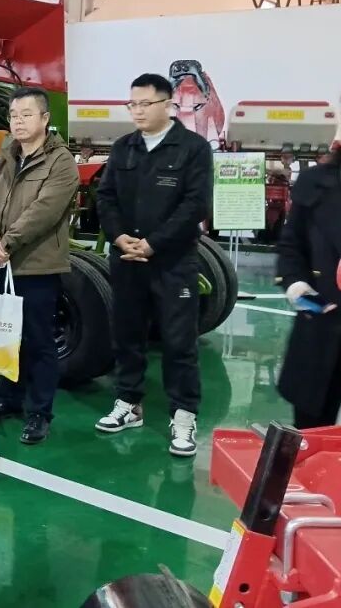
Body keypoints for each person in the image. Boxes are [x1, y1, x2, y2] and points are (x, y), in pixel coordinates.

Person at [94, 73, 213, 457]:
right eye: (133, 104)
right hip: (127, 260)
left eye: (145, 104)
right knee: (127, 335)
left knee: (179, 342)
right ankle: (128, 403)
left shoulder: (192, 148)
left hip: (173, 263)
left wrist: (153, 244)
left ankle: (184, 415)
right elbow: (105, 197)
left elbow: (195, 205)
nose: (138, 111)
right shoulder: (123, 148)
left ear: (168, 104)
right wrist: (118, 237)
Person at [0, 88, 79, 444]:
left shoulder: (60, 161)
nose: (18, 122)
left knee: (38, 341)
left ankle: (39, 412)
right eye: (14, 115)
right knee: (6, 335)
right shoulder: (6, 155)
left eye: (27, 114)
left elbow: (45, 211)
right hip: (1, 263)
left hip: (37, 266)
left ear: (45, 119)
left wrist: (7, 243)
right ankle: (7, 399)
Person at [276, 86, 341, 428]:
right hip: (325, 328)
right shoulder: (314, 182)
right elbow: (291, 247)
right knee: (313, 429)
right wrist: (299, 289)